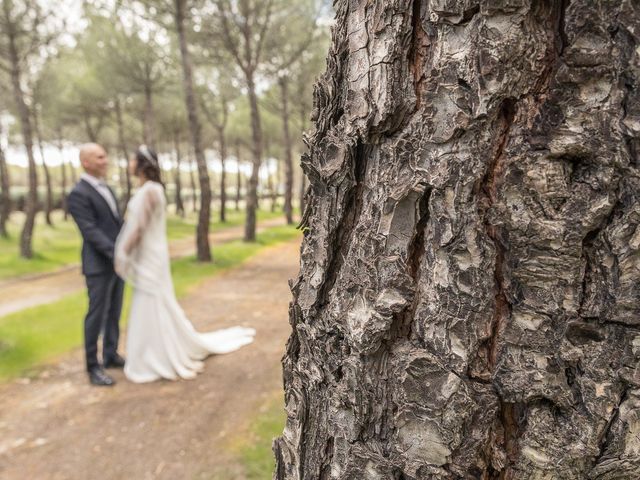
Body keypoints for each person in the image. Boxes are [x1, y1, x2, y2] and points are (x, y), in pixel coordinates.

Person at [114, 145, 256, 383]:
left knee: (152, 300)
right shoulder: (152, 189)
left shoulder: (150, 190)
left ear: (141, 164)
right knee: (152, 299)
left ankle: (157, 356)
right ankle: (149, 353)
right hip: (151, 253)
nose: (129, 165)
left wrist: (123, 254)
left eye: (131, 160)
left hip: (149, 254)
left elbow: (139, 228)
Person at [68, 143, 125, 387]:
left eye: (105, 155)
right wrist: (115, 253)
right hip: (98, 265)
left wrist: (126, 249)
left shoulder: (108, 189)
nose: (105, 160)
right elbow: (90, 231)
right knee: (96, 315)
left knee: (114, 312)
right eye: (100, 157)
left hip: (118, 263)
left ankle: (111, 354)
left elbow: (116, 224)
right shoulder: (78, 194)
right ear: (86, 162)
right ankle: (93, 366)